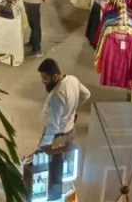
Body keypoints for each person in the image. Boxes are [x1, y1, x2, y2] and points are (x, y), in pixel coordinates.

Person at [36, 58, 91, 201]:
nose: (44, 82)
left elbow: (53, 125)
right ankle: (60, 190)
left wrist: (43, 146)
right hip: (70, 131)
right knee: (62, 164)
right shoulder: (72, 79)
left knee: (52, 167)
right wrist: (72, 109)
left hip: (57, 137)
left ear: (54, 76)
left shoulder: (58, 94)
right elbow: (86, 94)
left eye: (45, 79)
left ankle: (52, 196)